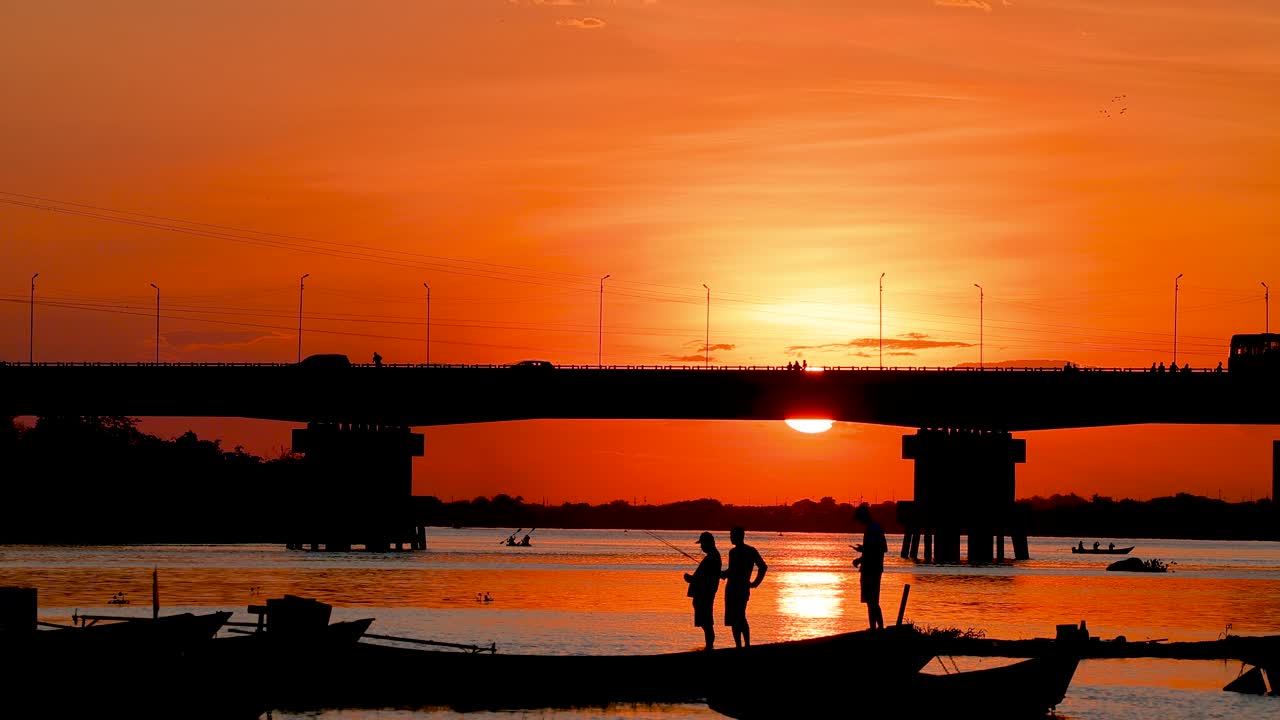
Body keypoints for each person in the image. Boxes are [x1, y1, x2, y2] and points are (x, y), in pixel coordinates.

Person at [721, 527, 767, 648]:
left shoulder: (750, 551)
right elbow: (732, 570)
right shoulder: (733, 552)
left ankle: (746, 644)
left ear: (739, 536)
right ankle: (739, 646)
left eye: (732, 535)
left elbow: (763, 567)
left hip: (740, 588)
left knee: (740, 616)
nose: (730, 537)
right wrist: (724, 574)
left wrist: (755, 583)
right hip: (732, 588)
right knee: (734, 618)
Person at [684, 531, 722, 650]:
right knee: (706, 622)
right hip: (704, 593)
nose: (701, 546)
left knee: (707, 622)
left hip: (706, 594)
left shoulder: (713, 557)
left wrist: (690, 578)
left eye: (702, 544)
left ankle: (709, 647)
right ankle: (709, 647)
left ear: (708, 543)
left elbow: (706, 577)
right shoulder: (712, 556)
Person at [852, 503, 887, 630]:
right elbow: (877, 548)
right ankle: (875, 628)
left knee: (872, 601)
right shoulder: (874, 527)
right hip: (873, 568)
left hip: (871, 569)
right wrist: (863, 551)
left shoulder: (872, 528)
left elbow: (877, 549)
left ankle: (877, 628)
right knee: (871, 601)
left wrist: (860, 558)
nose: (859, 522)